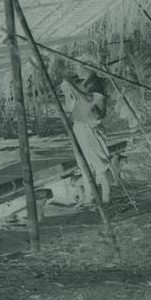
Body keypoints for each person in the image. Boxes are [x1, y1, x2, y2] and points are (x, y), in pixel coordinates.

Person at [60, 72, 112, 205]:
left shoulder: (95, 82)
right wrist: (67, 92)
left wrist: (72, 87)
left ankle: (106, 196)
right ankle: (89, 196)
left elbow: (88, 101)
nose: (77, 69)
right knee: (84, 164)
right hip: (79, 126)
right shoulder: (82, 84)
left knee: (99, 163)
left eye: (80, 65)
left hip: (90, 127)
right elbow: (71, 107)